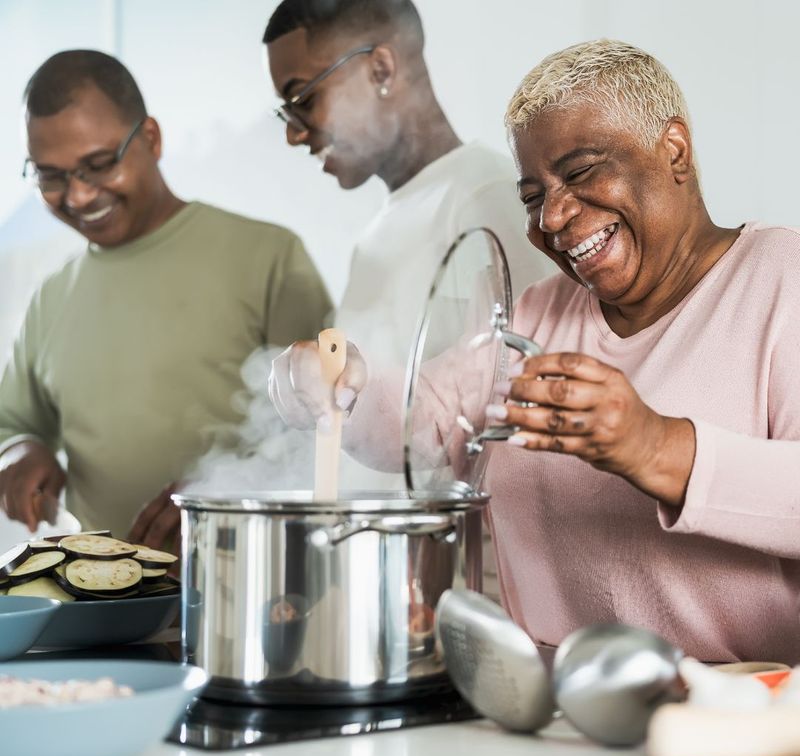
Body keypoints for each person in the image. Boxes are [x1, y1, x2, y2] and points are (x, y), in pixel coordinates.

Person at [269, 39, 800, 664]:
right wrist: (338, 387)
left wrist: (653, 446)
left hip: (743, 713)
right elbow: (424, 421)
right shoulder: (535, 311)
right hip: (550, 705)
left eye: (579, 174)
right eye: (532, 196)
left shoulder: (781, 280)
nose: (552, 216)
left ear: (674, 150)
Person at [264, 0, 555, 598]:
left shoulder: (490, 202)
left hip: (464, 605)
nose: (294, 132)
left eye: (303, 98)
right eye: (285, 111)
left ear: (380, 69)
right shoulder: (380, 230)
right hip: (383, 597)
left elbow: (526, 437)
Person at [0, 50, 332, 550]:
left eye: (98, 164)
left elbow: (330, 431)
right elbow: (16, 423)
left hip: (252, 591)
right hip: (101, 606)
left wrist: (219, 502)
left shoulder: (269, 258)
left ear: (150, 139)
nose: (79, 196)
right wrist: (20, 452)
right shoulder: (51, 296)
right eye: (52, 176)